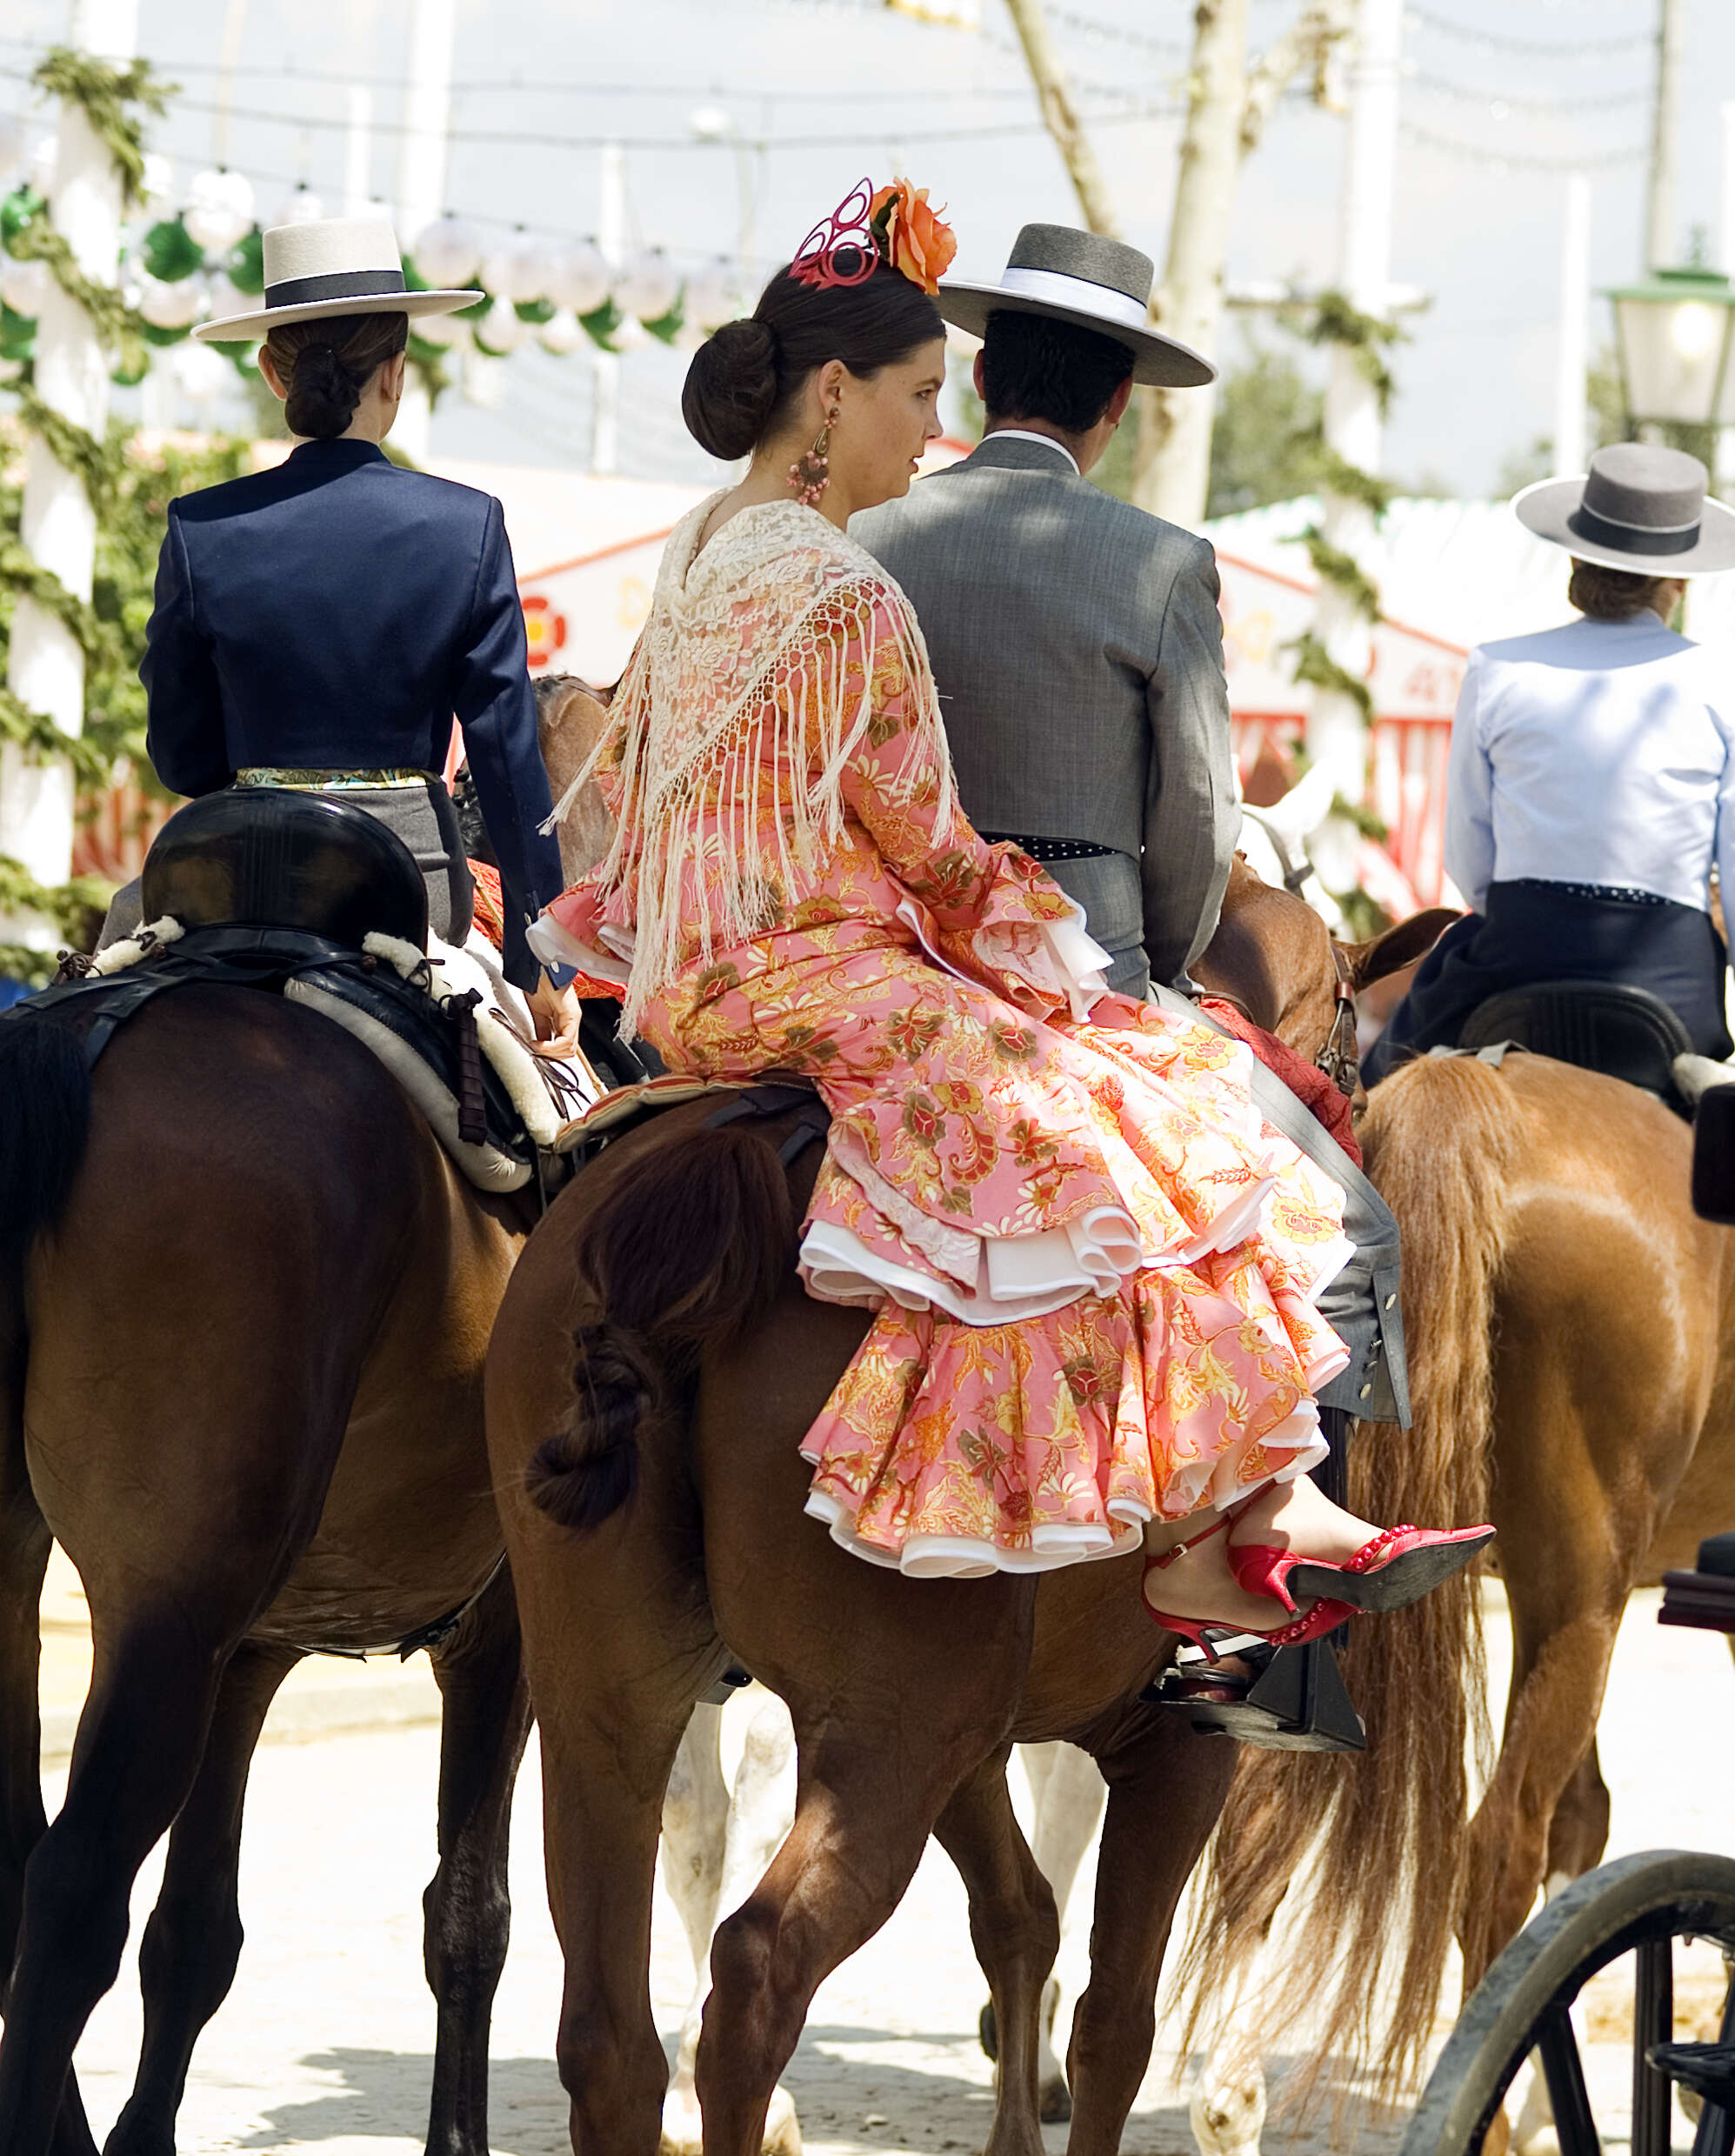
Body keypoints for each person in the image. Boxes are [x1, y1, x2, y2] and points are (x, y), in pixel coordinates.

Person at [534, 177, 1488, 1641]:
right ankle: (1246, 1536)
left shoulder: (707, 545)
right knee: (1193, 1141)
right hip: (841, 968)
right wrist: (1069, 971)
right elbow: (955, 848)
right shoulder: (881, 589)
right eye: (914, 400)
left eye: (944, 393)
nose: (933, 430)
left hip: (686, 977)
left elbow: (643, 777)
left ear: (996, 369)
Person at [137, 212, 576, 1047]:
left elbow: (183, 760)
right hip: (405, 887)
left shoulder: (201, 527)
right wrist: (540, 961)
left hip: (232, 878)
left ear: (273, 373)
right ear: (396, 375)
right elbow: (509, 768)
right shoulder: (467, 528)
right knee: (545, 1132)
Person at [854, 221, 1234, 1000]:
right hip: (1084, 969)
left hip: (879, 952)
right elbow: (1199, 815)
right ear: (1119, 401)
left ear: (983, 375)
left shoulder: (861, 531)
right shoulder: (1164, 564)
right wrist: (1152, 966)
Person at [1367, 441, 1735, 1084]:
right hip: (1668, 968)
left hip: (1520, 945)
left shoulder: (1496, 666)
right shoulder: (1720, 677)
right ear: (1678, 580)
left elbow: (1469, 865)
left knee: (1375, 1088)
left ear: (1575, 554)